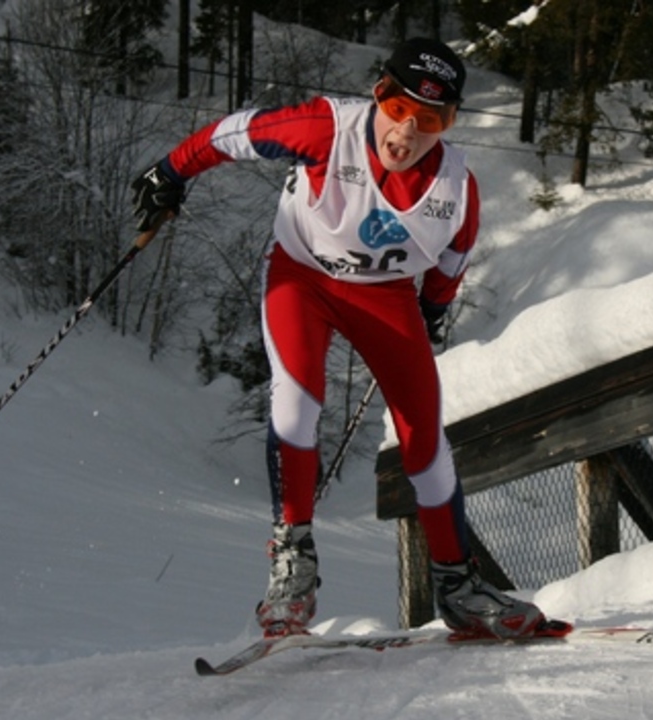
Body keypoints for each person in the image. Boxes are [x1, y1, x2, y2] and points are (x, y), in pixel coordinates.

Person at [131, 37, 546, 640]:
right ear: (378, 93)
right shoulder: (327, 128)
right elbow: (230, 134)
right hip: (303, 279)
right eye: (396, 106)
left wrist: (431, 312)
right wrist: (169, 171)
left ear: (448, 124)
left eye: (430, 119)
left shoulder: (457, 188)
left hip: (386, 296)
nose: (406, 131)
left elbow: (452, 263)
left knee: (424, 435)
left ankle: (457, 585)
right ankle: (292, 567)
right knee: (297, 402)